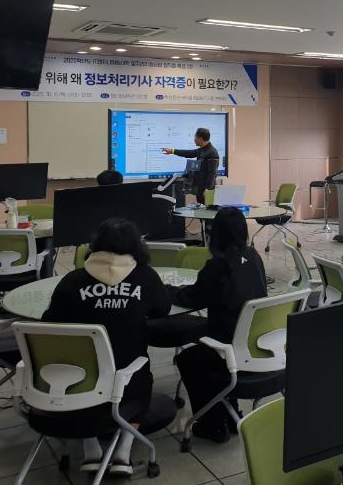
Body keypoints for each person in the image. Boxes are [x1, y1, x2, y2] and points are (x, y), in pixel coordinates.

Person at [42, 218, 171, 476]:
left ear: (95, 246)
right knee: (141, 379)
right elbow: (163, 309)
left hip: (77, 381)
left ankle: (91, 449)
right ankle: (123, 451)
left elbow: (50, 324)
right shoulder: (146, 277)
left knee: (82, 380)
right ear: (136, 247)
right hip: (127, 381)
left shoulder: (72, 281)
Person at [170, 207, 267, 443]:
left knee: (188, 359)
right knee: (209, 348)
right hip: (258, 346)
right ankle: (231, 414)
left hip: (230, 350)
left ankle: (212, 424)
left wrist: (168, 291)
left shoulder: (218, 266)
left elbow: (192, 298)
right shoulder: (254, 257)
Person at [161, 127, 220, 200]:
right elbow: (189, 153)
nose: (194, 139)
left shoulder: (212, 152)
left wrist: (208, 189)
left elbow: (212, 173)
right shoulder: (202, 150)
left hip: (207, 190)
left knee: (208, 207)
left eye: (195, 137)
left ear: (200, 139)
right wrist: (172, 151)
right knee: (200, 206)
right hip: (200, 188)